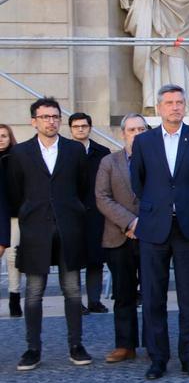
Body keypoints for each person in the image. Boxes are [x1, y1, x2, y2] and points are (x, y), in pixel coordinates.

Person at [131, 84, 189, 380]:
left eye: (179, 102)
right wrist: (158, 206)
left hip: (188, 228)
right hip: (154, 228)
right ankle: (157, 358)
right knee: (153, 297)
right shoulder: (144, 142)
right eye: (168, 102)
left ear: (186, 107)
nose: (174, 107)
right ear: (159, 108)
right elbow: (138, 183)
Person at [2, 97, 92, 370]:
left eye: (54, 116)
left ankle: (76, 345)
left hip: (69, 227)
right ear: (34, 121)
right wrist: (30, 210)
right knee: (34, 292)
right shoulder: (19, 154)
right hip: (35, 229)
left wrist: (73, 209)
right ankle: (33, 348)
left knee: (73, 290)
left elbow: (83, 187)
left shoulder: (75, 150)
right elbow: (15, 192)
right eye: (44, 117)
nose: (50, 121)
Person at [95, 113, 149, 363]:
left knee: (153, 292)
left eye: (141, 129)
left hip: (151, 237)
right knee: (123, 294)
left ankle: (154, 342)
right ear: (123, 134)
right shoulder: (109, 162)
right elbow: (102, 197)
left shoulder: (157, 161)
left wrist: (144, 224)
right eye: (132, 130)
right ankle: (125, 344)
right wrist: (130, 222)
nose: (137, 134)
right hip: (119, 236)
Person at [67, 112, 111, 314]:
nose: (80, 129)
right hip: (72, 213)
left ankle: (94, 300)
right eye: (76, 127)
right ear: (70, 129)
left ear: (90, 127)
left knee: (96, 260)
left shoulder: (102, 152)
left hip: (95, 212)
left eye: (84, 126)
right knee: (74, 260)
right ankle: (76, 302)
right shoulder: (63, 151)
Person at [0, 123, 20, 318]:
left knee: (13, 257)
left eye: (4, 135)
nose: (1, 139)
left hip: (14, 214)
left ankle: (14, 296)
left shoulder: (16, 158)